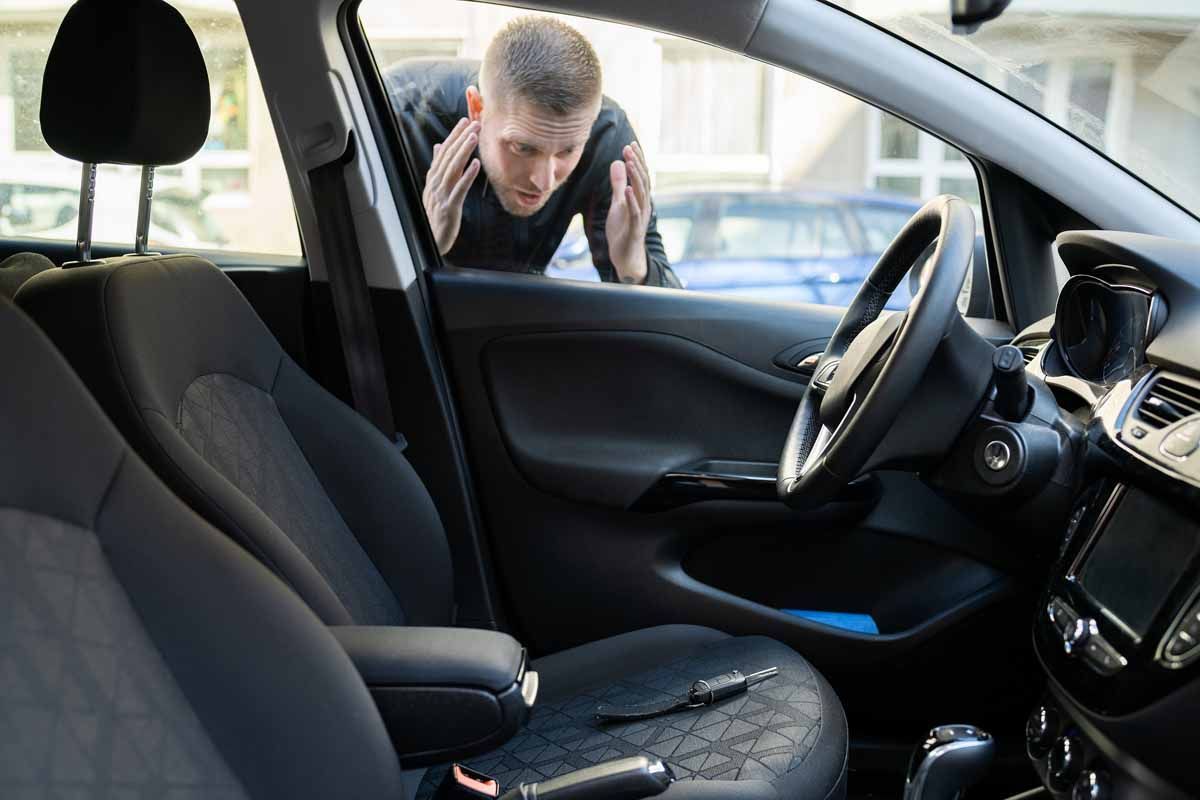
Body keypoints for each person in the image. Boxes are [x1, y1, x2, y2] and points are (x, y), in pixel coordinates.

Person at [383, 17, 681, 287]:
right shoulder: (397, 116)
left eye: (567, 150)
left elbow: (669, 315)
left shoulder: (607, 135)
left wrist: (632, 266)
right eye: (524, 148)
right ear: (477, 108)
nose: (544, 181)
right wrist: (421, 244)